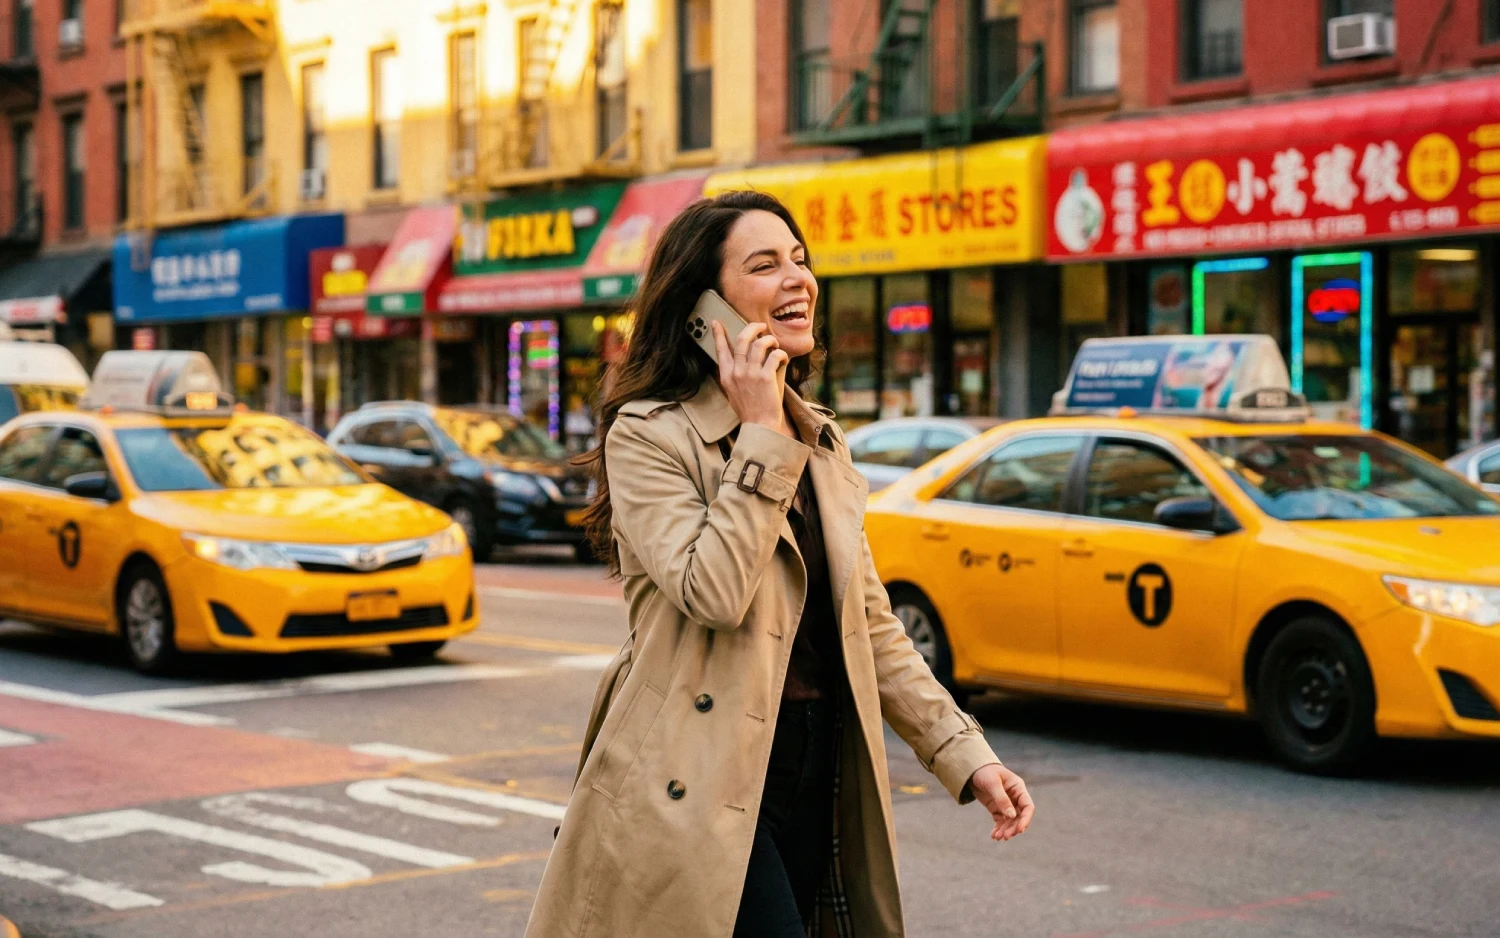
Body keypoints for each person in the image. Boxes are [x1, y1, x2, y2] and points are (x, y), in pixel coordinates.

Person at [524, 191, 1034, 938]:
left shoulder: (819, 438)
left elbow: (869, 625)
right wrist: (760, 431)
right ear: (705, 309)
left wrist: (963, 753)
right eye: (765, 265)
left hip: (812, 762)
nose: (798, 278)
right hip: (691, 771)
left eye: (801, 259)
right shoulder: (651, 436)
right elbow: (714, 591)